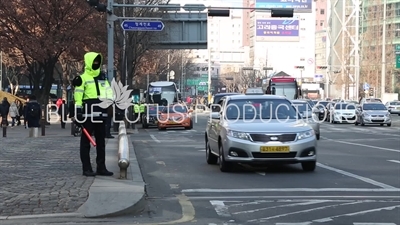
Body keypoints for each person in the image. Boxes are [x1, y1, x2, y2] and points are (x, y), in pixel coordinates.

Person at [73, 52, 114, 177]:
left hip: (101, 112)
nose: (96, 64)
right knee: (86, 142)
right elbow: (78, 95)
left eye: (98, 61)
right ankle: (87, 168)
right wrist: (78, 111)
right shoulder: (82, 78)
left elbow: (109, 92)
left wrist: (110, 104)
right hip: (87, 113)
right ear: (89, 62)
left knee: (101, 142)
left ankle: (101, 167)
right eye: (94, 61)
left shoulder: (103, 77)